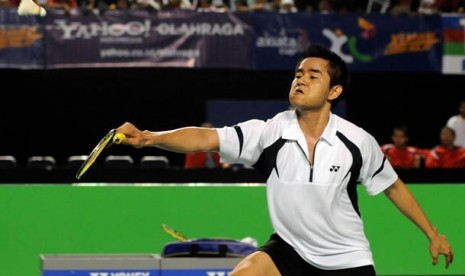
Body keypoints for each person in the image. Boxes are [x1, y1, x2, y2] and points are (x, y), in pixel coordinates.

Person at [115, 44, 453, 275]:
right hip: (289, 250)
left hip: (346, 258)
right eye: (298, 73)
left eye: (313, 75)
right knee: (245, 272)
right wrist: (149, 137)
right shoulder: (269, 132)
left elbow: (393, 187)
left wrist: (432, 233)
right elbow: (207, 138)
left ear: (334, 92)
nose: (301, 79)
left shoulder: (357, 141)